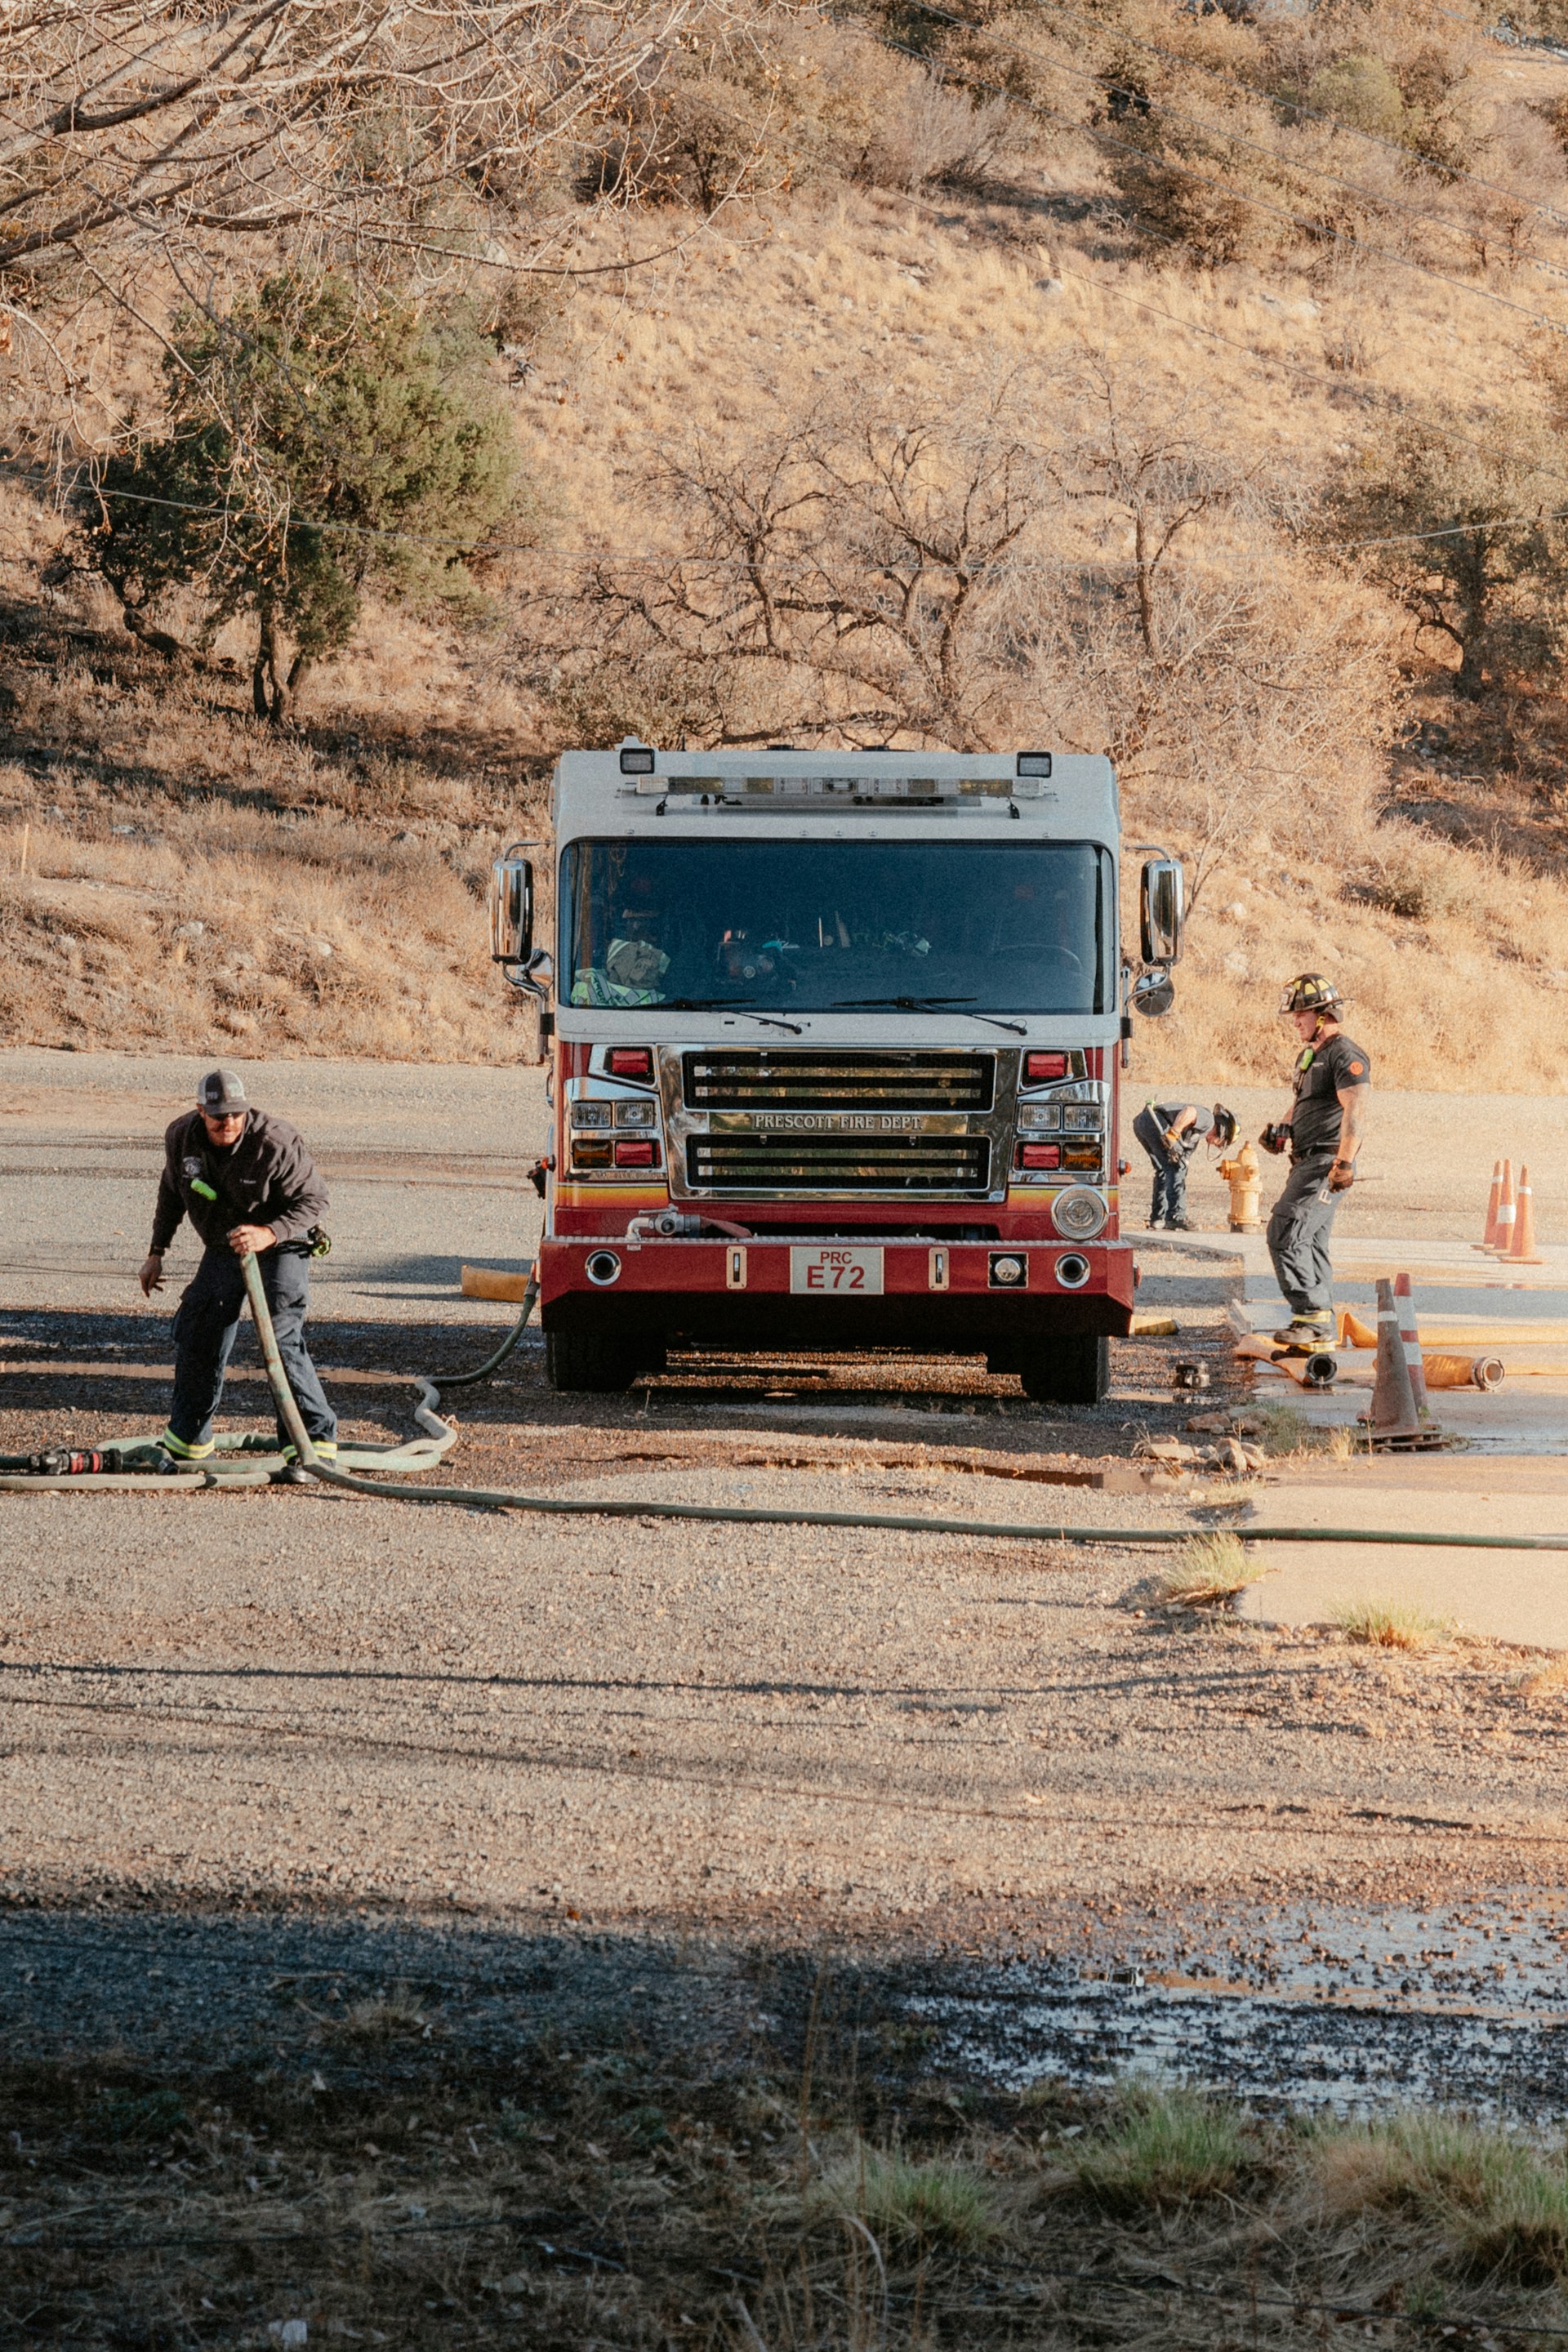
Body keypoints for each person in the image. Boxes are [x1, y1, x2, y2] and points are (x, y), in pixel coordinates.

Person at [139, 1068, 338, 1478]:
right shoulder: (181, 1137)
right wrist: (156, 1252)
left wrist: (269, 1233)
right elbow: (172, 1192)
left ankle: (312, 1445)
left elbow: (315, 1200)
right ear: (201, 1111)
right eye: (218, 1116)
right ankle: (188, 1441)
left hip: (282, 1241)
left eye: (235, 1114)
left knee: (279, 1337)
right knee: (200, 1327)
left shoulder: (275, 1141)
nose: (228, 1122)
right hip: (226, 1242)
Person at [1260, 975, 1370, 1345]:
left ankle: (1311, 1318)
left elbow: (1355, 1110)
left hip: (1326, 1163)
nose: (1295, 1021)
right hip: (1304, 1161)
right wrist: (1282, 1129)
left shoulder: (1345, 1055)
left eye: (1301, 1013)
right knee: (1311, 1243)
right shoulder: (1311, 1056)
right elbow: (1302, 1103)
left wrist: (1344, 1164)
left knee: (1285, 1232)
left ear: (1323, 1015)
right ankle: (1320, 1329)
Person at [1131, 1099, 1237, 1230]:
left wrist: (1182, 1162)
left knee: (1164, 1170)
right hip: (1155, 1121)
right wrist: (1174, 1132)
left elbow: (1183, 1161)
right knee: (1176, 1167)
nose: (1218, 1145)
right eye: (1222, 1142)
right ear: (1222, 1130)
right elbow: (1190, 1111)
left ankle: (1158, 1218)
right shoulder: (1209, 1121)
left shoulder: (1193, 1138)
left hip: (1143, 1122)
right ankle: (1176, 1216)